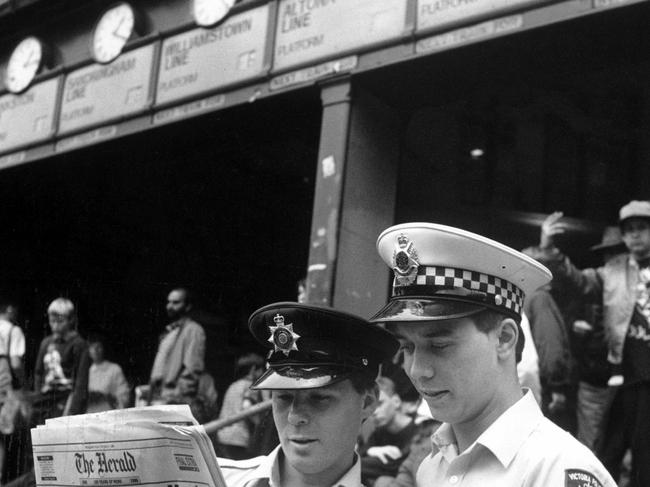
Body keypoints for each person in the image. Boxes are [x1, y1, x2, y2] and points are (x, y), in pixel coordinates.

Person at [369, 222, 616, 486]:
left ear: (504, 338)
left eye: (439, 345)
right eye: (407, 347)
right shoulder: (431, 468)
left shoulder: (556, 470)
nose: (417, 370)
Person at [218, 302, 398, 487]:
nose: (294, 416)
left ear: (367, 402)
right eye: (284, 397)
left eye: (319, 398)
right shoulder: (216, 481)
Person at [539, 202, 650, 485]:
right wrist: (550, 249)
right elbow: (577, 281)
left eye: (642, 229)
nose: (635, 236)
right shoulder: (614, 271)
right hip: (623, 379)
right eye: (630, 230)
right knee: (605, 453)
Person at [33, 298, 90, 419]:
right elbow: (38, 373)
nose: (55, 326)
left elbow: (81, 380)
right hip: (46, 397)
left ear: (71, 320)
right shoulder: (46, 343)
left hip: (67, 397)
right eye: (52, 321)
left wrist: (73, 409)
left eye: (60, 321)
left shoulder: (79, 344)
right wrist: (39, 394)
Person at [149, 287, 206, 405]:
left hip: (173, 400)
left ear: (188, 306)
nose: (169, 306)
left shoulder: (193, 330)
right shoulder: (169, 332)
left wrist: (175, 397)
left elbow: (192, 368)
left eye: (176, 303)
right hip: (158, 396)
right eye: (168, 302)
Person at [359, 376, 418, 486]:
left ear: (396, 401)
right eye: (369, 407)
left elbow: (395, 466)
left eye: (380, 404)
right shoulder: (380, 432)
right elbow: (361, 454)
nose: (374, 412)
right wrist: (371, 450)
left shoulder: (420, 431)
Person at [216, 352, 265, 460]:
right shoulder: (250, 386)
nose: (262, 373)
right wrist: (260, 423)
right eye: (261, 369)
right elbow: (247, 406)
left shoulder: (233, 385)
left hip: (223, 435)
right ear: (253, 369)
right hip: (238, 437)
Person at [86, 337, 130, 413]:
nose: (96, 350)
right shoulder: (86, 371)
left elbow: (124, 396)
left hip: (109, 413)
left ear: (104, 349)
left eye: (98, 346)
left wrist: (109, 398)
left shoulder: (114, 369)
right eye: (92, 347)